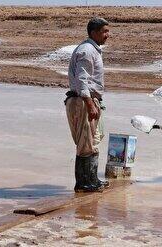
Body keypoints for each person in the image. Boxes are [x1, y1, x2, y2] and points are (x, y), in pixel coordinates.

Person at [65, 17, 110, 192]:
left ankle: (92, 179)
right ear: (93, 32)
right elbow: (82, 80)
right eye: (104, 31)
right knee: (86, 143)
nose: (108, 35)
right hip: (83, 101)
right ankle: (84, 183)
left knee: (93, 140)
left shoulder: (92, 49)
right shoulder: (87, 51)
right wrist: (90, 104)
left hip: (90, 100)